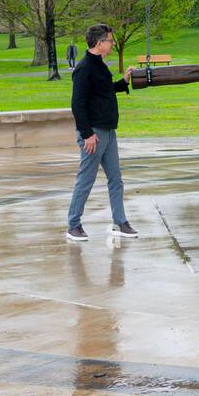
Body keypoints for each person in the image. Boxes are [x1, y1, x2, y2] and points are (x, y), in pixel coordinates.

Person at [66, 24, 137, 241]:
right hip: (93, 134)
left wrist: (123, 81)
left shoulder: (100, 66)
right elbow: (77, 104)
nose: (113, 44)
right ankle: (73, 225)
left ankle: (119, 221)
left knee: (116, 179)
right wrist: (87, 133)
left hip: (108, 131)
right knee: (85, 180)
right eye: (110, 41)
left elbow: (105, 90)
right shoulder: (84, 68)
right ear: (99, 43)